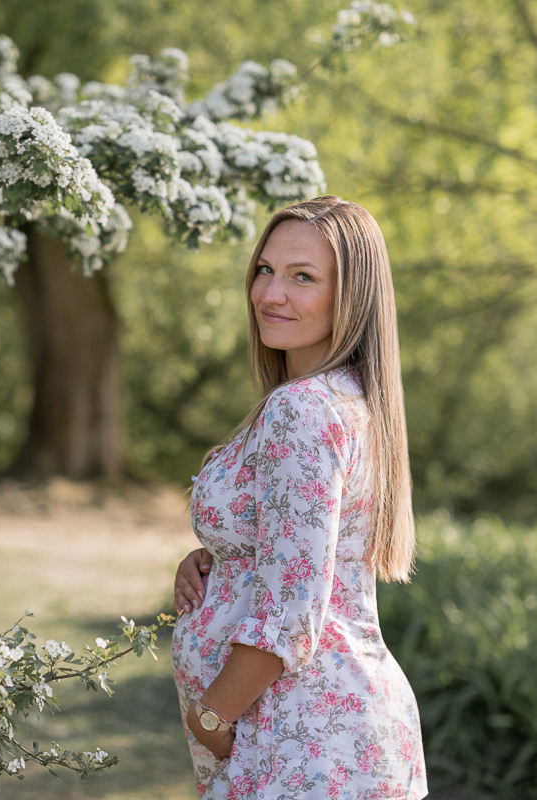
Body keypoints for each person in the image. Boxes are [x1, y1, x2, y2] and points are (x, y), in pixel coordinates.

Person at [170, 196, 427, 799]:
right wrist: (222, 560)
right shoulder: (344, 399)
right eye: (265, 270)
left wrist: (210, 719)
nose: (270, 293)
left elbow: (289, 616)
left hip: (301, 744)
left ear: (351, 296)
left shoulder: (303, 410)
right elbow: (309, 561)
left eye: (302, 277)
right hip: (333, 740)